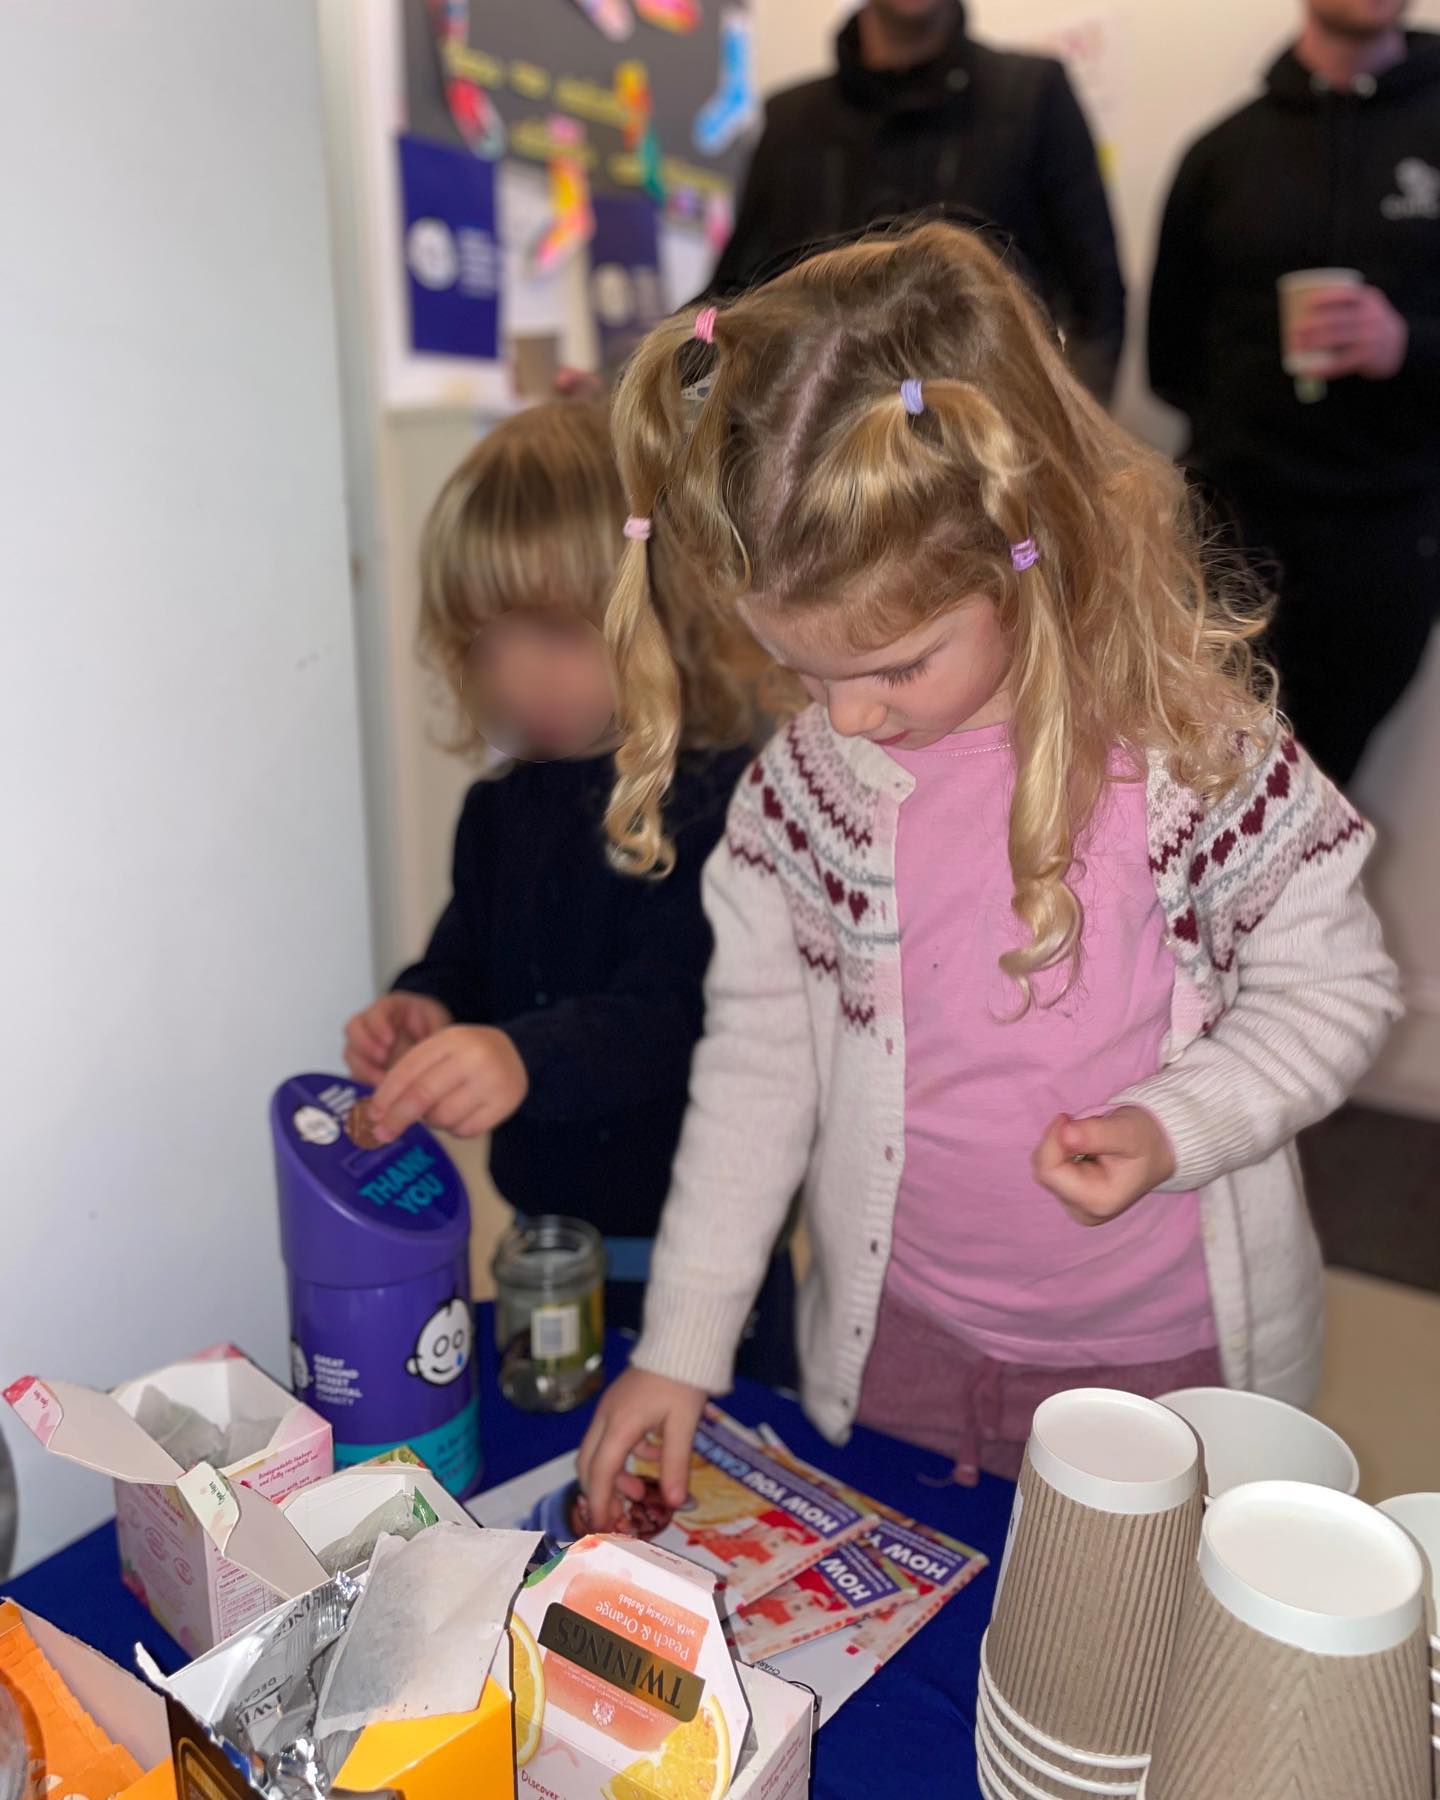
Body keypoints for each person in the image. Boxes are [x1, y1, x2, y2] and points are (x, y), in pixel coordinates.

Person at [576, 224, 1400, 1525]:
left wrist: (1175, 1122)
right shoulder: (811, 791)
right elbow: (758, 1065)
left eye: (896, 665)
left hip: (1165, 1370)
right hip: (906, 1348)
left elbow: (1336, 994)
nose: (846, 717)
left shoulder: (1196, 757)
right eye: (806, 671)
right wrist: (684, 1337)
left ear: (1034, 545)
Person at [341, 399, 771, 1336]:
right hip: (546, 1255)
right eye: (484, 646)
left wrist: (520, 1056)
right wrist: (428, 1005)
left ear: (654, 602)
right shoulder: (499, 812)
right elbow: (468, 957)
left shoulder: (717, 798)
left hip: (710, 1276)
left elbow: (671, 1014)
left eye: (553, 633)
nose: (513, 679)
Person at [1149, 1, 1440, 784]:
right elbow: (1168, 361)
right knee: (1205, 794)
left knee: (1312, 798)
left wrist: (1406, 345)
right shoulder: (1223, 152)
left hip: (1387, 540)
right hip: (1232, 537)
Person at [709, 0, 1126, 402]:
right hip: (820, 450)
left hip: (994, 450)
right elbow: (729, 303)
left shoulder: (1032, 97)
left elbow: (1097, 303)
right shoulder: (791, 124)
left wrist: (1063, 443)